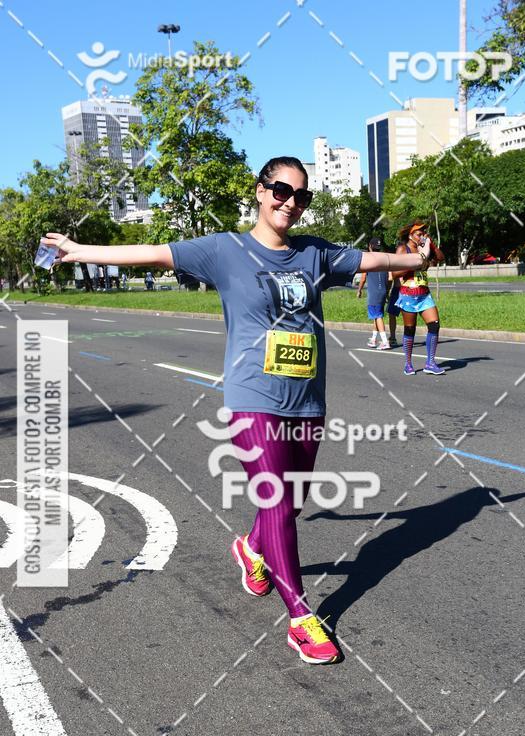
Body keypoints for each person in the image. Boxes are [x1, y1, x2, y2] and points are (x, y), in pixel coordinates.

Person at [41, 156, 431, 665]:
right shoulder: (224, 249)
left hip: (306, 401)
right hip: (252, 399)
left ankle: (251, 548)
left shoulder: (314, 254)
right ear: (261, 190)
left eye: (301, 196)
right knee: (275, 501)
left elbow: (373, 261)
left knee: (289, 506)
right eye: (281, 191)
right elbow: (150, 253)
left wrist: (416, 262)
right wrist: (77, 250)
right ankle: (300, 616)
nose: (289, 202)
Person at [391, 221, 445, 376]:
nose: (422, 236)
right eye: (419, 234)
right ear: (411, 235)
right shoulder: (404, 249)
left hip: (424, 294)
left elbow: (441, 258)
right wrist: (413, 264)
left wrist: (431, 245)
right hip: (408, 295)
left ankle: (430, 363)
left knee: (434, 325)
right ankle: (408, 364)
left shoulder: (425, 249)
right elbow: (394, 273)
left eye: (423, 233)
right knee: (410, 329)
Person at [356, 237, 390, 350]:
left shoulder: (369, 259)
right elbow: (389, 278)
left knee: (378, 316)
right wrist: (387, 292)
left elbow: (363, 277)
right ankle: (374, 339)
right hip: (383, 291)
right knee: (377, 315)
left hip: (374, 293)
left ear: (370, 246)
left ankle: (385, 342)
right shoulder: (384, 259)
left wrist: (359, 289)